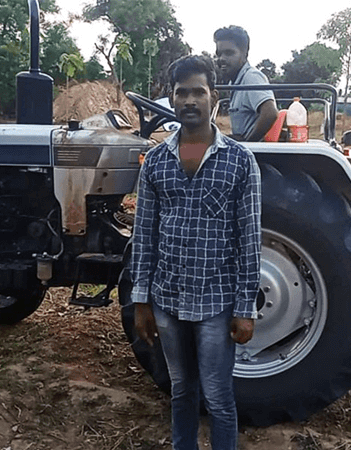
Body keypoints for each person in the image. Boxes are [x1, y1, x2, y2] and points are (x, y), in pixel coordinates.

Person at [129, 54, 260, 450]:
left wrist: (245, 307)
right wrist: (141, 301)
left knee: (219, 398)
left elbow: (249, 240)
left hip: (216, 302)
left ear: (213, 97)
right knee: (182, 391)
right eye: (181, 92)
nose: (189, 100)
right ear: (171, 99)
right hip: (166, 299)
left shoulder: (240, 162)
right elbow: (144, 234)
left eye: (197, 92)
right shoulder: (154, 161)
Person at [214, 25, 279, 142]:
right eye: (219, 54)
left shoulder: (251, 77)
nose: (221, 59)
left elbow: (270, 113)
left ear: (245, 54)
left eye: (229, 53)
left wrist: (247, 145)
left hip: (257, 153)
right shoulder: (235, 82)